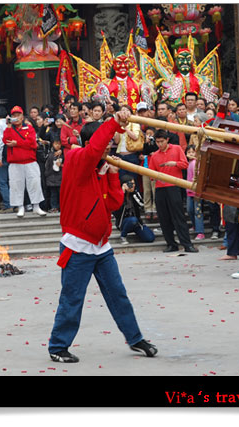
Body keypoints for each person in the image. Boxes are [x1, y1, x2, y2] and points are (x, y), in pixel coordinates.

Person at [48, 109, 158, 363]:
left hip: (101, 246)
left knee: (118, 294)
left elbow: (114, 203)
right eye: (107, 143)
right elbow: (94, 148)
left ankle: (135, 338)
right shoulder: (76, 159)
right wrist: (113, 123)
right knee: (72, 298)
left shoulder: (100, 167)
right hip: (77, 246)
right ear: (92, 142)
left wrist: (111, 175)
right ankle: (58, 346)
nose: (109, 148)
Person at [148, 129, 198, 253]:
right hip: (160, 188)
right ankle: (171, 244)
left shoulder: (176, 149)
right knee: (164, 217)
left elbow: (185, 164)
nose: (159, 144)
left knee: (178, 216)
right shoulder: (154, 156)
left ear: (167, 140)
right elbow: (151, 174)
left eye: (161, 141)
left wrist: (174, 163)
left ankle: (187, 244)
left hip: (174, 186)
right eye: (158, 142)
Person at [2, 105, 46, 218]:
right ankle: (20, 206)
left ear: (22, 116)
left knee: (35, 182)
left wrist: (17, 144)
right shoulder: (9, 129)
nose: (16, 118)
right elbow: (6, 140)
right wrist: (8, 126)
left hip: (30, 161)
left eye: (18, 115)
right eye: (14, 116)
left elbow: (32, 143)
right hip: (15, 162)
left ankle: (36, 206)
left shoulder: (29, 128)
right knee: (16, 184)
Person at [113, 174, 155, 245]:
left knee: (150, 238)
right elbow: (116, 212)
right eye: (131, 184)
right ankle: (123, 236)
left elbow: (142, 205)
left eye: (134, 184)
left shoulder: (135, 194)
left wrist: (135, 194)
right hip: (123, 223)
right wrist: (122, 194)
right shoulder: (118, 195)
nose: (133, 186)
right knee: (133, 219)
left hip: (136, 222)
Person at [0, 106, 12, 213]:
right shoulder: (10, 123)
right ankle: (16, 203)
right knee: (12, 180)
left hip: (3, 155)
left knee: (3, 182)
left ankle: (8, 204)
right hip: (13, 154)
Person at [185, 144, 205, 240]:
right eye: (189, 152)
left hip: (196, 191)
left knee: (198, 211)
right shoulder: (188, 163)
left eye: (193, 152)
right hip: (189, 190)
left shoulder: (197, 163)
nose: (191, 154)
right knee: (190, 210)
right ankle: (195, 226)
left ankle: (200, 232)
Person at [44, 139, 64, 213]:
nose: (57, 145)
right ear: (53, 144)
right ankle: (54, 207)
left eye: (59, 144)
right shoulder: (50, 155)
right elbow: (47, 167)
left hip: (60, 177)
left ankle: (61, 207)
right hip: (51, 178)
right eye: (56, 144)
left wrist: (61, 165)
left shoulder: (63, 154)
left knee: (60, 194)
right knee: (53, 194)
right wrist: (47, 176)